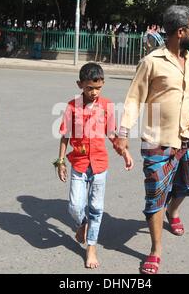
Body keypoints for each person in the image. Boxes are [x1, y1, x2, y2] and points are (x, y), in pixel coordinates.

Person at [113, 5, 189, 274]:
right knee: (155, 195)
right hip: (157, 141)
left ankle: (173, 212)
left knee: (184, 187)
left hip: (187, 139)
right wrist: (123, 133)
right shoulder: (151, 62)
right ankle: (155, 250)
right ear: (181, 32)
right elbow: (134, 99)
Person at [54, 62, 134, 269]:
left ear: (103, 85)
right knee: (74, 206)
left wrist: (125, 153)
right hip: (79, 163)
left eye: (98, 88)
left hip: (99, 164)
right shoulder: (72, 107)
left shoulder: (107, 106)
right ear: (80, 84)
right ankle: (83, 223)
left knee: (97, 208)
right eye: (90, 88)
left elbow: (111, 134)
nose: (94, 92)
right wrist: (60, 161)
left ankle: (91, 248)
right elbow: (65, 136)